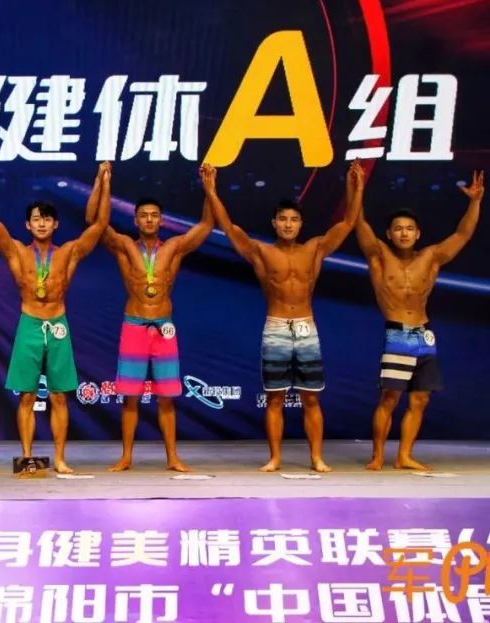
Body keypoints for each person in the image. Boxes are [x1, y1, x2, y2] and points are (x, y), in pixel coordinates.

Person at [203, 160, 364, 472]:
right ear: (274, 223)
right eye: (283, 220)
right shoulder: (261, 252)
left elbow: (347, 223)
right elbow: (230, 228)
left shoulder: (315, 249)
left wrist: (355, 188)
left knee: (311, 398)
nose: (288, 225)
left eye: (294, 220)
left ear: (301, 224)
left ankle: (316, 457)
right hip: (276, 327)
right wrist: (211, 192)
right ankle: (275, 458)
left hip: (306, 327)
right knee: (274, 398)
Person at [0, 160, 111, 474]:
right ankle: (27, 457)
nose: (41, 224)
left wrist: (103, 182)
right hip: (29, 323)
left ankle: (61, 459)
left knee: (58, 397)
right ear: (27, 225)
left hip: (57, 325)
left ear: (55, 225)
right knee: (26, 396)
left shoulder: (68, 252)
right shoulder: (17, 252)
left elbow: (99, 225)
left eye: (47, 219)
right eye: (36, 219)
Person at [85, 168, 214, 473]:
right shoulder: (124, 246)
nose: (149, 220)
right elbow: (93, 222)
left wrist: (210, 188)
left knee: (166, 398)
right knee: (130, 397)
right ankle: (126, 457)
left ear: (161, 220)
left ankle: (173, 458)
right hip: (134, 324)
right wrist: (102, 183)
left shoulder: (174, 248)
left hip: (164, 327)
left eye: (154, 215)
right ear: (135, 220)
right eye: (143, 215)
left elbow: (207, 225)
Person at [357, 170, 483, 471]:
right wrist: (357, 189)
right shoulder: (378, 255)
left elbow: (462, 235)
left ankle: (404, 456)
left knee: (420, 399)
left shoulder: (431, 257)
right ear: (389, 234)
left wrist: (475, 202)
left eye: (409, 229)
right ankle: (377, 456)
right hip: (397, 334)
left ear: (418, 234)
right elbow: (358, 223)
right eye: (398, 229)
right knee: (390, 397)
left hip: (424, 335)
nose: (404, 233)